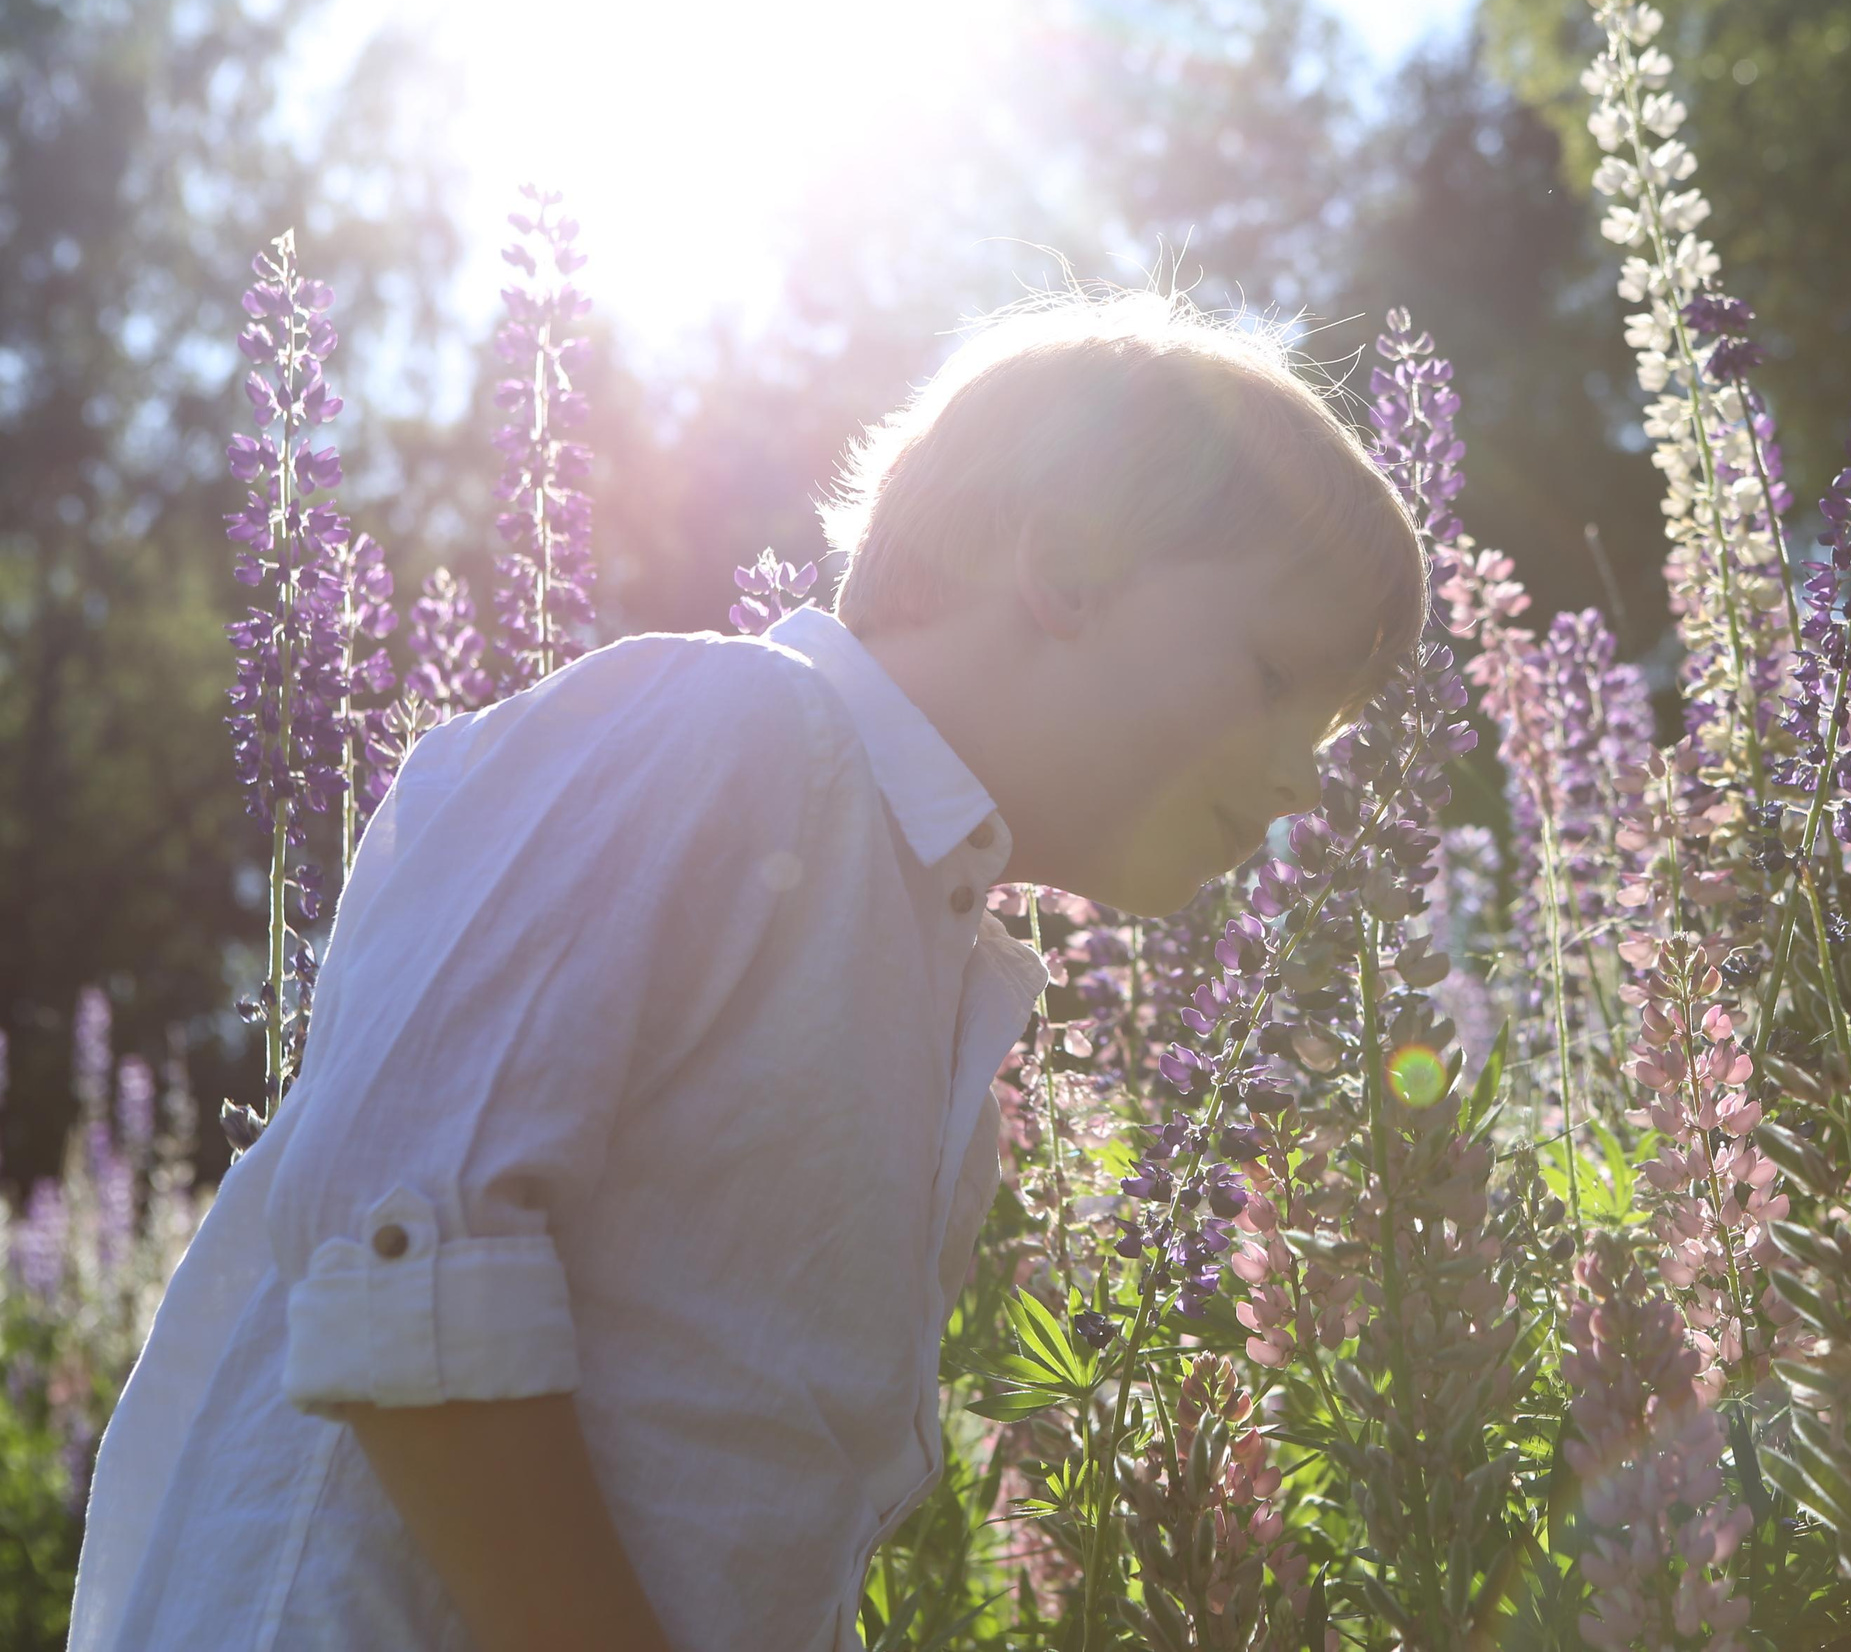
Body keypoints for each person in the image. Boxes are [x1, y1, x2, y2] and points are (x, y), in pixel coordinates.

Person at [66, 288, 1427, 1652]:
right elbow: (400, 1227)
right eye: (1272, 676)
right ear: (1066, 572)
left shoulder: (936, 974)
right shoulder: (726, 730)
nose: (1308, 777)